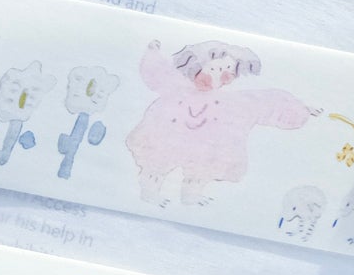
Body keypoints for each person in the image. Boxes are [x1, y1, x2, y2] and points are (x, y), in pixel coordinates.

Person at [126, 38, 319, 206]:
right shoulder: (177, 87)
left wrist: (301, 109)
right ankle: (149, 192)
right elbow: (159, 72)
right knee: (158, 159)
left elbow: (266, 102)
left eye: (227, 73)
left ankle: (191, 195)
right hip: (171, 131)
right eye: (214, 69)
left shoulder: (230, 102)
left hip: (204, 142)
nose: (219, 77)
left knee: (202, 166)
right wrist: (152, 52)